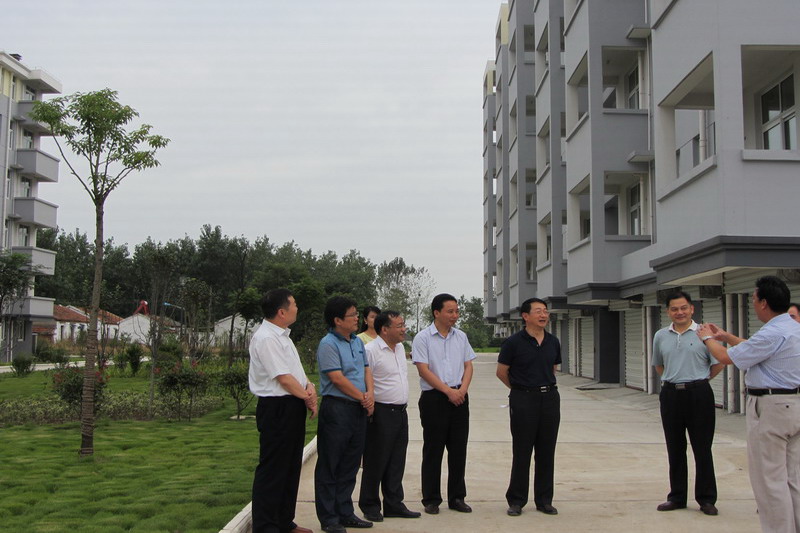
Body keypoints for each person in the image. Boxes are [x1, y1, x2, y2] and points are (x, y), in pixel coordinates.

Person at [698, 276, 800, 532]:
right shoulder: (792, 328)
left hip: (772, 408)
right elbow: (755, 349)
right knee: (793, 479)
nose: (753, 304)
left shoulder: (771, 333)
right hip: (794, 405)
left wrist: (707, 338)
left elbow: (724, 357)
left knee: (769, 480)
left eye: (754, 300)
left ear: (764, 303)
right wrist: (725, 335)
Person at [249, 288, 318, 533]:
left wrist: (309, 386)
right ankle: (266, 526)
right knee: (274, 469)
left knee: (290, 467)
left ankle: (284, 521)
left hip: (291, 405)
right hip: (277, 408)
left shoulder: (283, 336)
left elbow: (295, 372)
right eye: (294, 304)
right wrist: (308, 398)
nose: (297, 308)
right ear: (281, 312)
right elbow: (283, 378)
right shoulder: (266, 338)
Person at [651, 291, 723, 516]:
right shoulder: (661, 336)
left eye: (683, 308)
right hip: (671, 394)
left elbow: (719, 362)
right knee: (675, 447)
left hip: (699, 394)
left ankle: (706, 499)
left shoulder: (705, 333)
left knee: (702, 448)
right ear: (668, 312)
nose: (679, 312)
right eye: (674, 309)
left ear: (692, 309)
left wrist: (701, 379)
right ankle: (677, 497)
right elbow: (659, 365)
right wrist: (674, 379)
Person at [496, 297, 561, 517]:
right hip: (523, 399)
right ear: (525, 316)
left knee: (546, 451)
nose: (543, 315)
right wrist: (520, 389)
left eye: (545, 311)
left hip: (549, 399)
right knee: (522, 451)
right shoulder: (513, 343)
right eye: (538, 311)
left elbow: (552, 369)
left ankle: (544, 500)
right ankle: (516, 500)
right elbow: (501, 372)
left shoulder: (553, 341)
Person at [315, 296, 375, 533]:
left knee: (350, 464)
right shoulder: (328, 344)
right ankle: (329, 518)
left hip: (358, 409)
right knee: (331, 464)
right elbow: (337, 378)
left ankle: (345, 512)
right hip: (337, 409)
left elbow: (366, 369)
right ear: (337, 320)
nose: (357, 318)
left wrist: (369, 395)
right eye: (352, 315)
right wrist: (362, 397)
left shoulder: (357, 342)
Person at [412, 293, 476, 515]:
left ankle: (457, 497)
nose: (455, 315)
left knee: (458, 450)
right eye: (450, 311)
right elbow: (423, 370)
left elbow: (468, 366)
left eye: (457, 311)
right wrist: (448, 391)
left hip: (460, 397)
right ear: (436, 312)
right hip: (434, 399)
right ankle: (431, 499)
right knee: (434, 449)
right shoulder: (423, 338)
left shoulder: (461, 337)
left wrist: (462, 390)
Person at [358, 311, 421, 522]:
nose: (404, 329)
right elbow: (364, 380)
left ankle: (394, 504)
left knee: (396, 461)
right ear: (384, 329)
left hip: (401, 412)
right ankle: (370, 505)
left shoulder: (400, 348)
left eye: (403, 324)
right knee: (376, 461)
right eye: (399, 326)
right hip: (381, 413)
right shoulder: (370, 350)